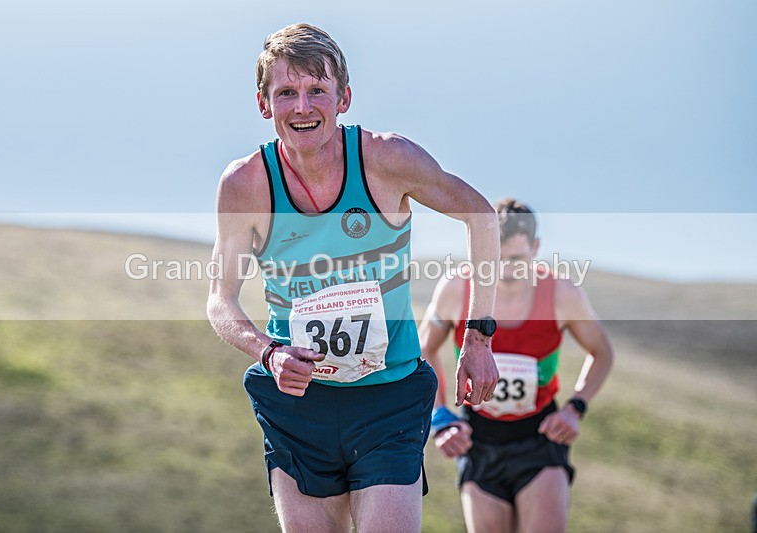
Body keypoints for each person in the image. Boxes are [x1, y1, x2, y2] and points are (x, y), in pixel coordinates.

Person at [206, 23, 500, 532]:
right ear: (263, 103)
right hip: (298, 404)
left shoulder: (387, 159)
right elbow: (220, 300)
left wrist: (478, 335)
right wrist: (267, 352)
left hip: (389, 398)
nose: (303, 107)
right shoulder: (245, 184)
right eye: (286, 93)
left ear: (343, 97)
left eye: (317, 90)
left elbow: (481, 216)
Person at [420, 198, 614, 533]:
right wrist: (441, 419)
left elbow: (602, 352)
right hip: (477, 438)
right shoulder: (456, 289)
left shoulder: (561, 293)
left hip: (538, 437)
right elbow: (425, 351)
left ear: (536, 248)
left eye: (518, 259)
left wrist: (574, 408)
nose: (507, 271)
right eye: (496, 260)